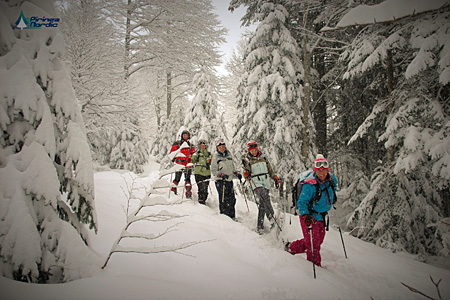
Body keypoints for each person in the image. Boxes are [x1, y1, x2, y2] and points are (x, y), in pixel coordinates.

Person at [285, 154, 338, 267]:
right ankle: (315, 268)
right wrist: (305, 215)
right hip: (309, 216)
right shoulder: (310, 185)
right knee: (314, 246)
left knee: (317, 242)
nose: (322, 173)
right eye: (319, 170)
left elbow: (333, 190)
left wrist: (333, 198)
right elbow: (302, 202)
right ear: (315, 170)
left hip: (321, 217)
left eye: (324, 170)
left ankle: (291, 247)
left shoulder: (331, 181)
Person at [242, 141, 281, 234]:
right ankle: (272, 218)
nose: (254, 152)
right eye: (252, 151)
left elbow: (270, 170)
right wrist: (246, 174)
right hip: (256, 183)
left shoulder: (264, 158)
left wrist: (275, 177)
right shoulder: (247, 160)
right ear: (249, 151)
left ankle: (260, 226)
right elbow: (246, 174)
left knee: (263, 203)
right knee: (264, 197)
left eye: (255, 150)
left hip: (266, 182)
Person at [211, 138, 241, 219]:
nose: (222, 148)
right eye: (220, 147)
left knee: (232, 199)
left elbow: (232, 166)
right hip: (221, 181)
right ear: (217, 148)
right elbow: (213, 170)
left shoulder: (228, 155)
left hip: (229, 180)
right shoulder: (216, 156)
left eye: (223, 146)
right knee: (224, 199)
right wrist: (221, 175)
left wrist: (236, 173)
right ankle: (224, 217)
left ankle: (232, 216)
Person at [169, 130, 195, 198]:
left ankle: (188, 193)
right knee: (177, 179)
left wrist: (192, 161)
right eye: (184, 135)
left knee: (188, 180)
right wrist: (173, 159)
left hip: (187, 165)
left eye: (187, 135)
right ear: (182, 136)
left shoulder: (190, 145)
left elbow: (193, 154)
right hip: (179, 164)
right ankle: (173, 191)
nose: (185, 136)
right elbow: (172, 152)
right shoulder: (177, 144)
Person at [191, 139, 212, 205]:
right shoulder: (197, 154)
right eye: (201, 145)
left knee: (205, 188)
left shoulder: (209, 154)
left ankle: (203, 200)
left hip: (207, 173)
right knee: (201, 188)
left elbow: (213, 162)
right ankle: (201, 201)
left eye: (204, 145)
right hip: (198, 173)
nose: (202, 146)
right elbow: (192, 161)